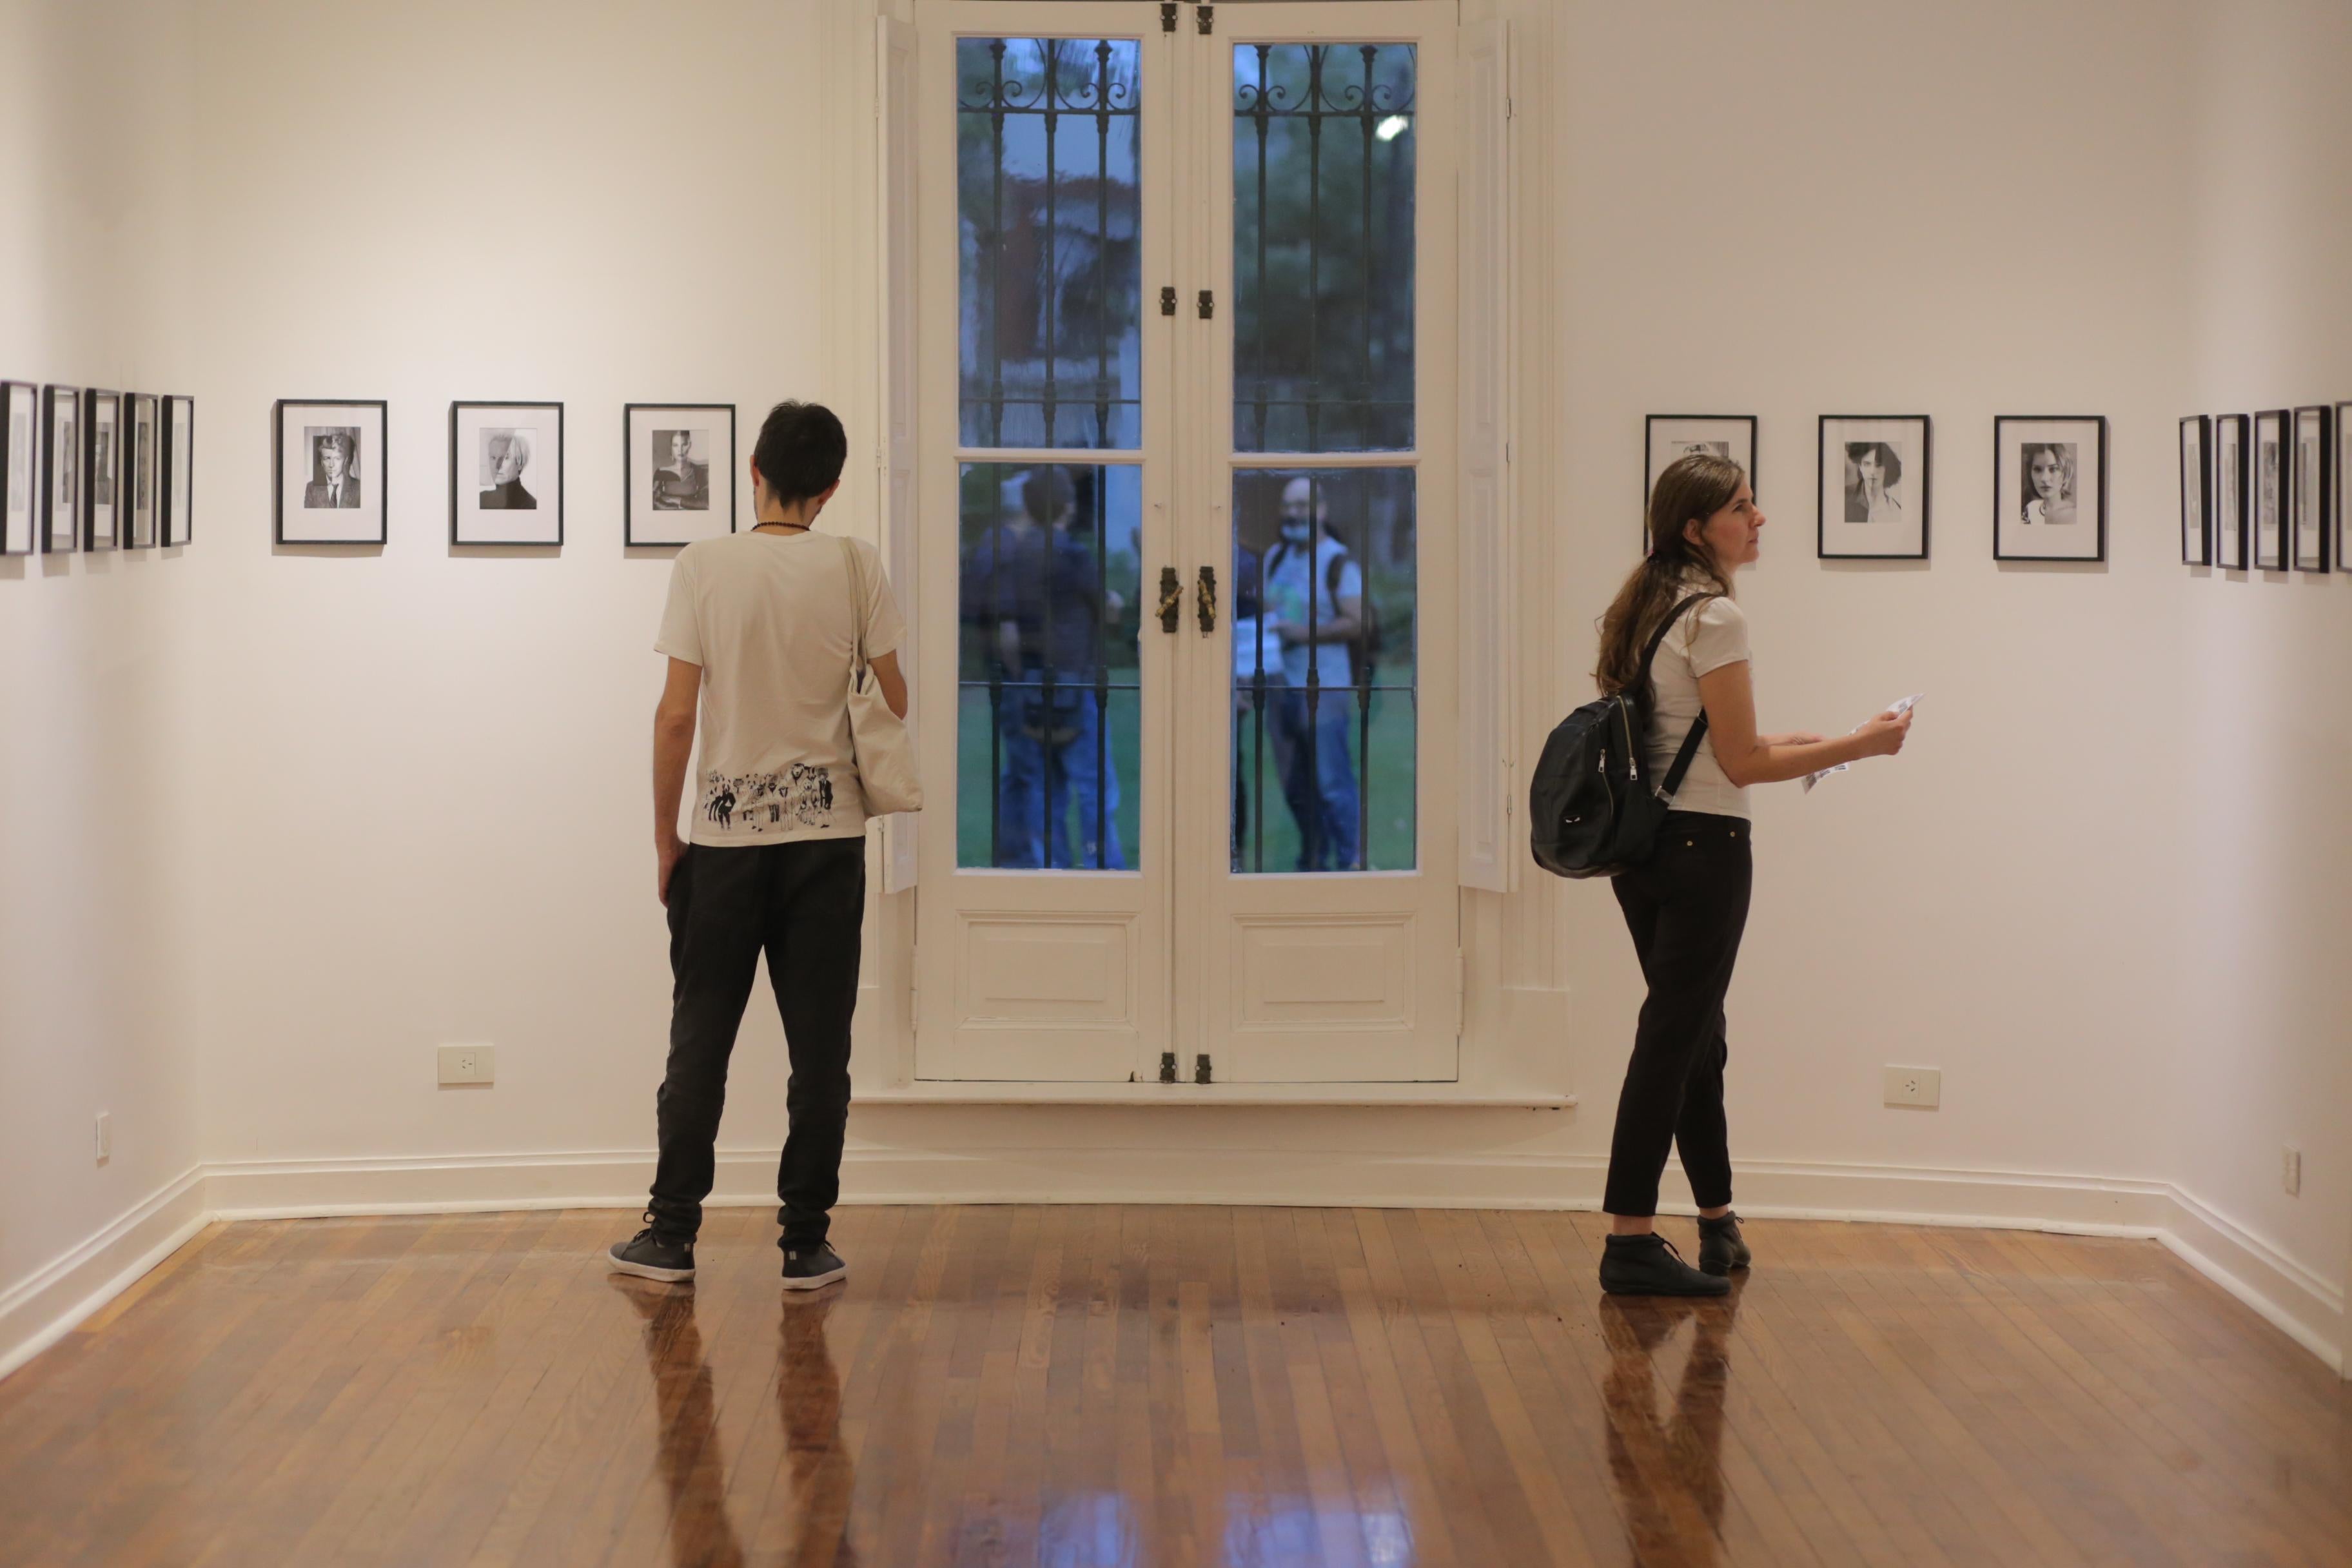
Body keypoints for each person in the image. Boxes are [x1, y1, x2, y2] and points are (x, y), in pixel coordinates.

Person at [1591, 452, 1913, 1297]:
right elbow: (1737, 762)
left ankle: (1717, 1220)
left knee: (1697, 1036)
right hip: (1704, 852)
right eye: (1742, 506)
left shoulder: (1645, 606)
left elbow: (1709, 745)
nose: (1759, 517)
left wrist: (1820, 743)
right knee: (1674, 1039)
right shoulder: (1718, 616)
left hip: (1646, 852)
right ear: (1698, 530)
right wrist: (1866, 747)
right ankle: (1629, 1241)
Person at [609, 400, 909, 1292]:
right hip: (827, 839)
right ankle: (804, 1242)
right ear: (831, 487)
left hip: (727, 844)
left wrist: (667, 842)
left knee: (700, 1037)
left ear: (754, 468)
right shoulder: (857, 566)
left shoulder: (704, 565)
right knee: (820, 1051)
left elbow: (675, 720)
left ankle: (670, 1235)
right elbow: (895, 702)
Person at [1260, 476, 1364, 871]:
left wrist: (1302, 634)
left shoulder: (1338, 561)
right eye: (1288, 505)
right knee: (1295, 786)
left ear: (1321, 510)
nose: (1292, 513)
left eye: (1302, 505)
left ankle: (1352, 859)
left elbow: (1355, 622)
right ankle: (1313, 859)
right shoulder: (1275, 557)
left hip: (1326, 687)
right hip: (1281, 686)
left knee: (1332, 782)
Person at [1842, 441, 1902, 523]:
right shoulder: (1844, 497)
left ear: (1887, 469)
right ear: (1860, 467)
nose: (1872, 471)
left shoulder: (1895, 509)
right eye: (1867, 464)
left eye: (1878, 465)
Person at [652, 428, 709, 511]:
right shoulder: (661, 472)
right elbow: (655, 504)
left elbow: (705, 504)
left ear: (690, 445)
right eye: (676, 445)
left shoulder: (700, 472)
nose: (680, 450)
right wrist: (686, 506)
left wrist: (676, 500)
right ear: (671, 447)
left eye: (684, 444)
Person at [2021, 443, 2075, 526]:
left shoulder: (2075, 514)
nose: (2044, 478)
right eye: (2037, 469)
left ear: (2065, 473)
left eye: (2053, 469)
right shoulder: (2031, 509)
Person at [479, 430, 537, 509]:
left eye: (506, 458)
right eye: (493, 457)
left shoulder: (531, 506)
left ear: (520, 463)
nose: (497, 466)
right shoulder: (481, 499)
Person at [302, 430, 359, 508]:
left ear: (346, 460)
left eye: (337, 458)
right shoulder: (311, 489)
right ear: (322, 461)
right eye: (327, 458)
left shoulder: (359, 488)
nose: (332, 465)